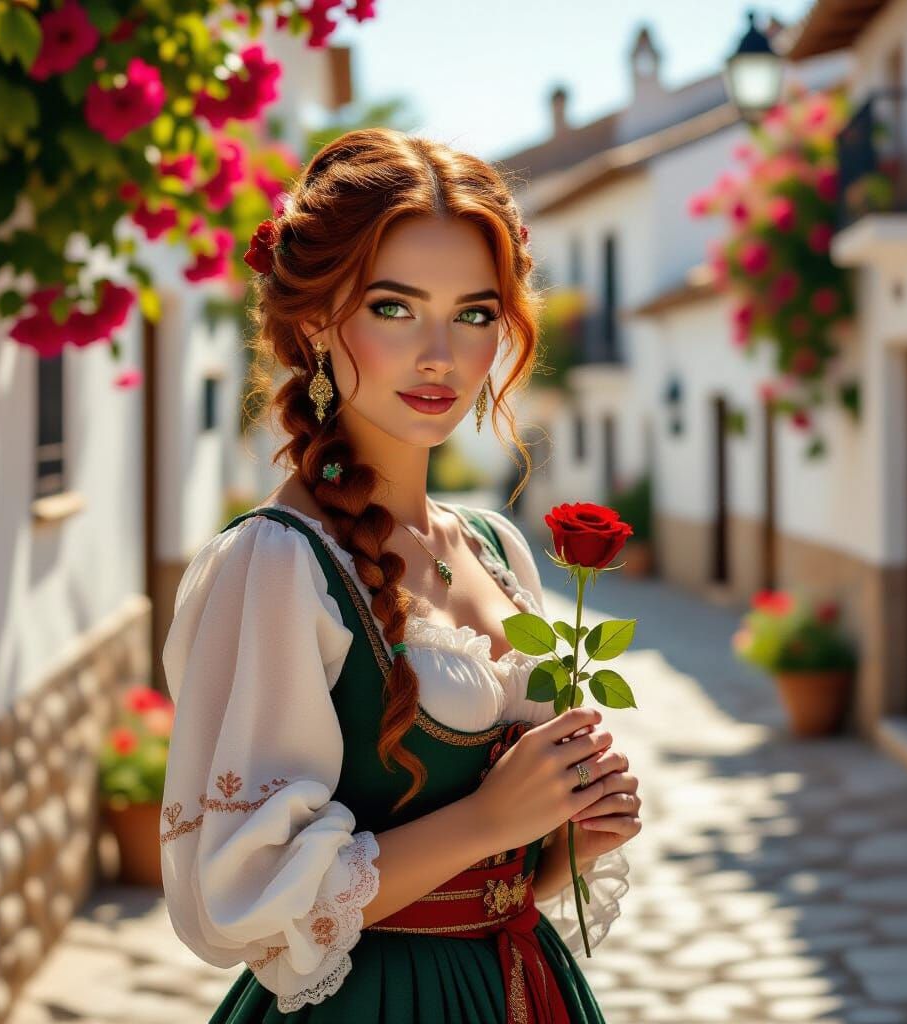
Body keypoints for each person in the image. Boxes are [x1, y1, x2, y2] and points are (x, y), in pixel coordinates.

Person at [160, 126, 641, 1023]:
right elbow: (244, 899)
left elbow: (514, 882)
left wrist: (569, 829)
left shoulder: (496, 547)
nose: (441, 355)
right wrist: (493, 820)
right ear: (312, 321)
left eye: (474, 312)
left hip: (522, 987)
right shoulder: (277, 562)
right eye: (393, 307)